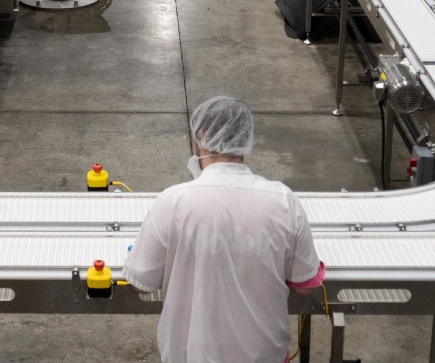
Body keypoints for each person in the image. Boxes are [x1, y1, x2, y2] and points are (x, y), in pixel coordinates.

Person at [123, 96, 325, 363]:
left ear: (200, 136)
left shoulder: (173, 202)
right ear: (246, 139)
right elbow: (305, 284)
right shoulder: (284, 201)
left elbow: (141, 283)